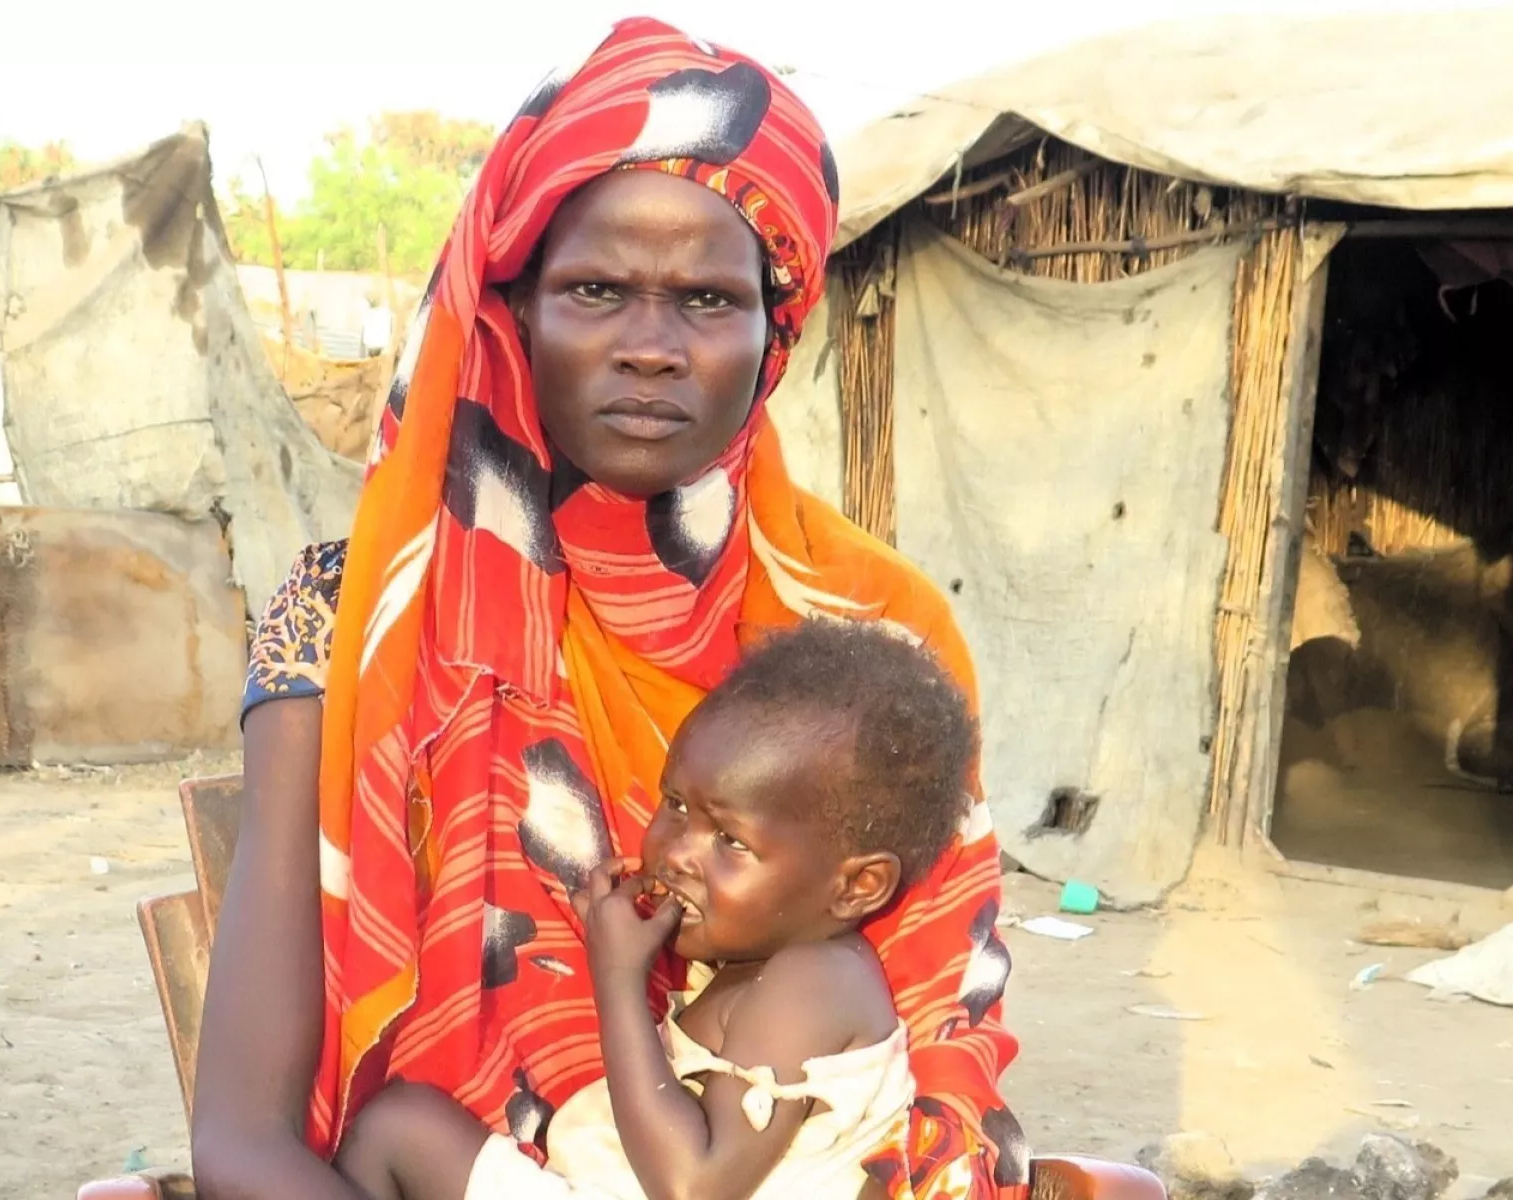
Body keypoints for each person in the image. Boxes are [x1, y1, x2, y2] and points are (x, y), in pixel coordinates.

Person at [190, 17, 1028, 1200]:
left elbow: (940, 1049)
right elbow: (242, 1139)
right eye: (594, 289)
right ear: (514, 309)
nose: (651, 348)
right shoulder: (360, 614)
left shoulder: (871, 640)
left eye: (706, 299)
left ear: (772, 333)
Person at [331, 620, 979, 1200]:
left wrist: (617, 980)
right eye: (674, 805)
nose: (677, 854)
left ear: (857, 886)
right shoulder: (768, 963)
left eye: (730, 840)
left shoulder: (813, 981)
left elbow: (693, 1186)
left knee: (399, 1132)